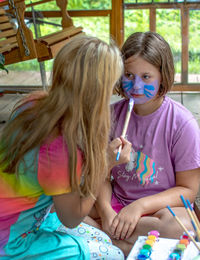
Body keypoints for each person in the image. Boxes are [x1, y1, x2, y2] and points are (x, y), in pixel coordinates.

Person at [0, 35, 125, 259]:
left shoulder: (33, 104)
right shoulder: (61, 147)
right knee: (111, 254)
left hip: (20, 219)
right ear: (96, 92)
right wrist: (106, 164)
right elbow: (72, 217)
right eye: (110, 86)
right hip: (11, 241)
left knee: (101, 239)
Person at [87, 32, 200, 256]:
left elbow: (188, 190)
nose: (135, 86)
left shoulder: (181, 123)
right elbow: (100, 176)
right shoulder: (109, 117)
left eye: (146, 77)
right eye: (128, 75)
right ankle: (128, 239)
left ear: (163, 77)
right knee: (59, 209)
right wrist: (106, 210)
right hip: (116, 202)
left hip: (162, 209)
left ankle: (109, 240)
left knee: (183, 226)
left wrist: (138, 207)